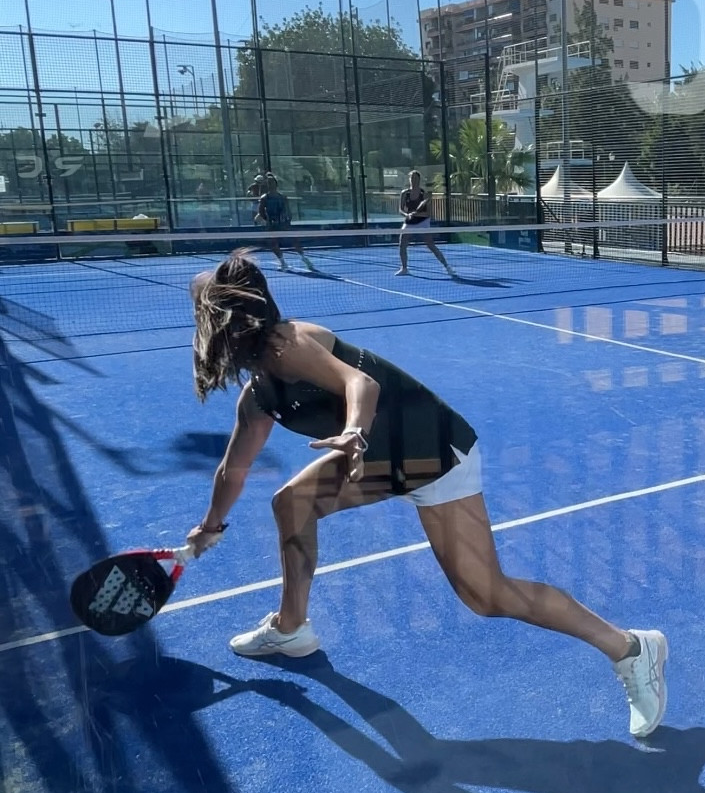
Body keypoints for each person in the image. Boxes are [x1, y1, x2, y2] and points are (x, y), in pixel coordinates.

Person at [185, 251, 668, 739]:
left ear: (219, 319)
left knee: (487, 595)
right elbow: (233, 467)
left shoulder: (290, 344)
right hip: (380, 461)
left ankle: (631, 648)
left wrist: (354, 431)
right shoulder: (258, 395)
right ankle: (292, 628)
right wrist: (210, 527)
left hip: (432, 454)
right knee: (292, 503)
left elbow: (360, 384)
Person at [397, 170, 455, 278]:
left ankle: (447, 267)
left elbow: (428, 213)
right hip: (409, 221)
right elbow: (400, 209)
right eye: (412, 178)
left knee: (430, 245)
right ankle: (404, 268)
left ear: (419, 180)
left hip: (423, 222)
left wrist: (416, 214)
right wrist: (407, 215)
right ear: (409, 179)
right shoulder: (405, 193)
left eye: (416, 178)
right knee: (402, 243)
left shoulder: (424, 194)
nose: (414, 180)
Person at [256, 173, 316, 273]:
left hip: (282, 224)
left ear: (275, 185)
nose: (271, 185)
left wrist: (285, 221)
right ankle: (283, 262)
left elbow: (288, 211)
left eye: (272, 183)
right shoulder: (265, 198)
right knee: (274, 243)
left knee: (293, 241)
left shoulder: (281, 197)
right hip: (274, 225)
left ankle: (304, 259)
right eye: (269, 183)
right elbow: (261, 211)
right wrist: (269, 221)